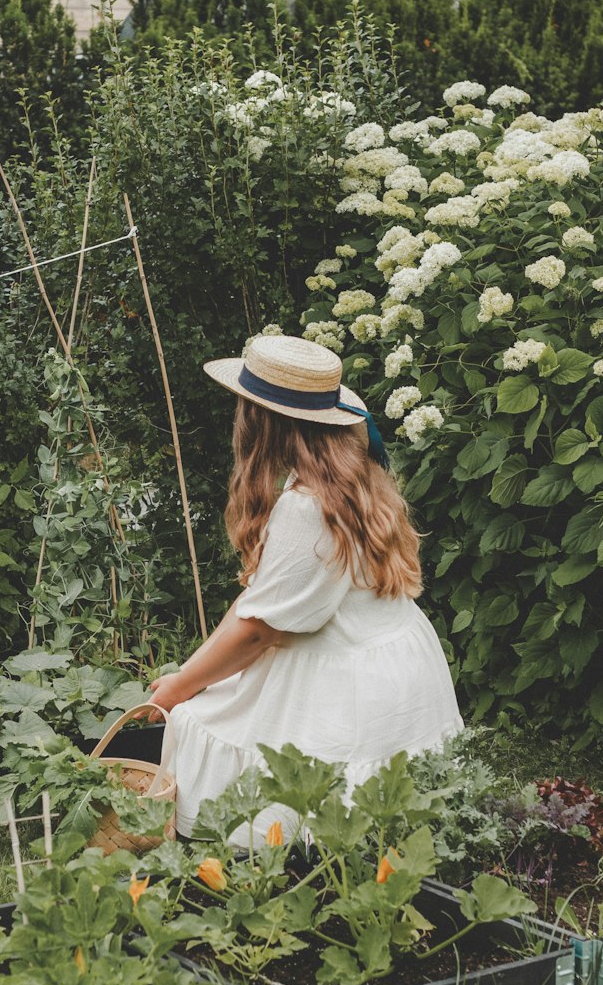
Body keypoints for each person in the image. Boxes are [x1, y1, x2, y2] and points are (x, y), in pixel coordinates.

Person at [148, 333, 463, 846]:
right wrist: (189, 672)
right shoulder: (357, 479)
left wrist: (181, 692)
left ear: (261, 421)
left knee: (205, 718)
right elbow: (258, 603)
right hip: (396, 667)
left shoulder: (305, 506)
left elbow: (259, 632)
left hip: (352, 686)